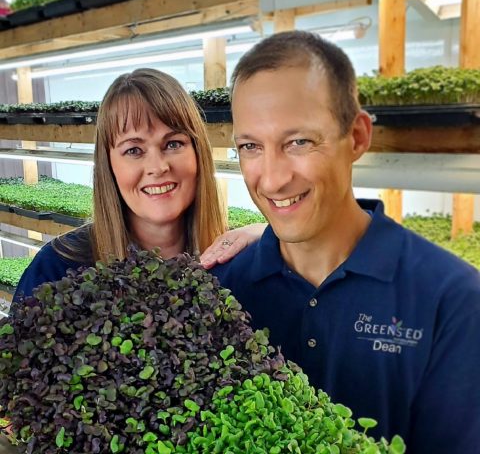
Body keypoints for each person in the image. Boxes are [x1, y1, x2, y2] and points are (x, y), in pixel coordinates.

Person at [211, 31, 480, 453]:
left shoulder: (454, 299)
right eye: (250, 146)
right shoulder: (222, 291)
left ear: (356, 136)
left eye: (298, 141)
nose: (272, 178)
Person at [14, 68, 262, 301]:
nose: (158, 167)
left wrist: (269, 238)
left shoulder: (235, 261)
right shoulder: (55, 270)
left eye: (173, 144)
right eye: (134, 150)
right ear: (108, 165)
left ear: (198, 153)